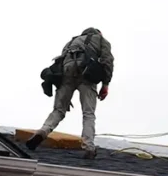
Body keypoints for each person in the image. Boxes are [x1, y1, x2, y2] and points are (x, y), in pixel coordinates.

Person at [25, 28, 114, 159]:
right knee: (88, 113)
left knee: (58, 110)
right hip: (86, 74)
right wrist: (105, 85)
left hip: (66, 73)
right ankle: (89, 146)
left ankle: (43, 131)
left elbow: (61, 62)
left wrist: (65, 93)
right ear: (98, 33)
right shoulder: (100, 40)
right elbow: (108, 61)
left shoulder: (71, 42)